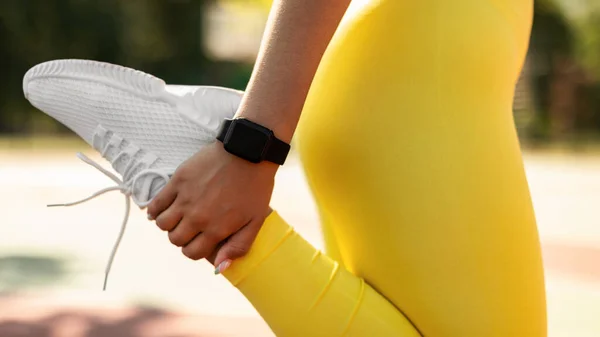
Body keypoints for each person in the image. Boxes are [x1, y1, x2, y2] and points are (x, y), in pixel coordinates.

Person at [25, 0, 546, 336]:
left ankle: (238, 228)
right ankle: (187, 163)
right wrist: (251, 143)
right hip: (421, 72)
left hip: (405, 71)